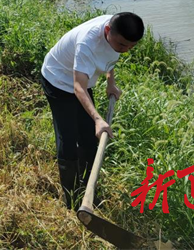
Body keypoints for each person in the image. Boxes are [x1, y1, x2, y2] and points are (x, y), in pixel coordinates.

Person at [40, 12, 145, 208]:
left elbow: (110, 56)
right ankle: (71, 199)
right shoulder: (87, 43)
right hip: (58, 80)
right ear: (107, 31)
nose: (126, 50)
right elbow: (78, 88)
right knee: (68, 137)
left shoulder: (116, 29)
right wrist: (98, 118)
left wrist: (110, 83)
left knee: (88, 137)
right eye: (123, 45)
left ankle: (88, 191)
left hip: (82, 77)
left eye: (132, 46)